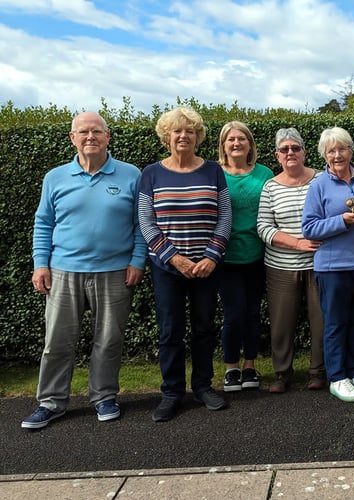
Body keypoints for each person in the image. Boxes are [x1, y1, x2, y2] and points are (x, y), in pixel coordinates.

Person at [23, 112, 147, 429]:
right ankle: (51, 403)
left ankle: (104, 396)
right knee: (57, 341)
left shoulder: (131, 174)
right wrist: (40, 264)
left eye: (97, 131)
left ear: (108, 137)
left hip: (115, 271)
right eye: (83, 132)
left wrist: (137, 260)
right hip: (64, 270)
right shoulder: (55, 177)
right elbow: (44, 223)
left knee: (108, 340)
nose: (90, 137)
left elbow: (141, 224)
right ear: (72, 138)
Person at [138, 106, 232, 422]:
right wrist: (173, 258)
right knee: (170, 331)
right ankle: (171, 393)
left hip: (207, 267)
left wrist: (211, 256)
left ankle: (204, 387)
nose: (183, 136)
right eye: (177, 131)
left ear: (197, 137)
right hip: (168, 268)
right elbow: (146, 221)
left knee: (204, 328)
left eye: (190, 131)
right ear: (167, 136)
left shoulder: (213, 171)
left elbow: (225, 217)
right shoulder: (150, 173)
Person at [301, 127, 354, 403]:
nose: (337, 155)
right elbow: (308, 228)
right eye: (331, 150)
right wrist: (341, 221)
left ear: (351, 151)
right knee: (335, 324)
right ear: (324, 154)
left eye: (342, 148)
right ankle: (337, 377)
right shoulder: (319, 184)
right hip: (332, 267)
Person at [257, 128, 326, 393]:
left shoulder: (321, 179)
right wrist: (296, 242)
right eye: (284, 149)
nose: (290, 153)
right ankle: (282, 374)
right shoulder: (270, 186)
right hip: (280, 266)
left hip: (319, 263)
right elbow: (263, 227)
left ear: (304, 152)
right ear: (277, 155)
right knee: (282, 324)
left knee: (320, 321)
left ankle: (318, 371)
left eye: (295, 148)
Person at [216, 121, 273, 392]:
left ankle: (250, 366)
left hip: (258, 255)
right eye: (231, 139)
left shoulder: (264, 173)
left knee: (252, 313)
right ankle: (231, 368)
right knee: (233, 314)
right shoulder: (214, 173)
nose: (236, 143)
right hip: (226, 258)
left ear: (250, 144)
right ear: (223, 145)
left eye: (242, 139)